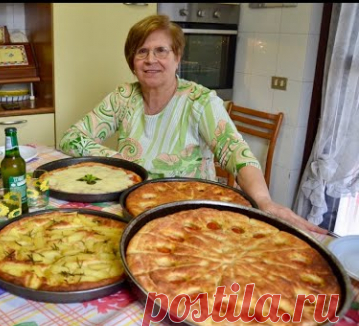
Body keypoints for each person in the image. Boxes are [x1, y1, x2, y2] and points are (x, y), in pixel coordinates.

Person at [59, 14, 326, 235]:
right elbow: (71, 138)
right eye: (142, 51)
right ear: (132, 61)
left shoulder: (201, 101)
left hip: (192, 216)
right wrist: (121, 163)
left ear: (177, 58)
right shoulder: (123, 98)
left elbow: (236, 152)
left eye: (161, 50)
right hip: (134, 209)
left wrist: (265, 201)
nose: (151, 59)